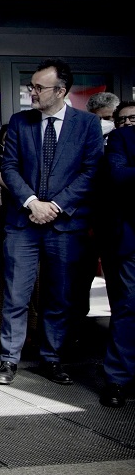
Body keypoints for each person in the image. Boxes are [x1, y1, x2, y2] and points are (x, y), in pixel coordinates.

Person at [0, 59, 103, 386]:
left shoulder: (86, 125)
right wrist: (32, 202)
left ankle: (50, 359)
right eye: (32, 86)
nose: (33, 92)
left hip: (64, 225)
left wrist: (55, 205)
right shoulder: (20, 122)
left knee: (59, 296)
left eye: (39, 87)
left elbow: (91, 172)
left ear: (61, 91)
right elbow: (9, 168)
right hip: (23, 223)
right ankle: (8, 360)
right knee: (16, 295)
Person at [98, 122, 135, 407]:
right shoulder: (123, 137)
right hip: (132, 239)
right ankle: (118, 379)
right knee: (128, 307)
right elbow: (118, 175)